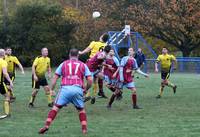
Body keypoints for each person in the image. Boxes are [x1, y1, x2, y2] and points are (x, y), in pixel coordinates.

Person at [39, 48, 92, 134]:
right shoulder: (83, 65)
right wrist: (86, 89)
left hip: (65, 89)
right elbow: (90, 80)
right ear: (78, 55)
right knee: (81, 110)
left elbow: (55, 78)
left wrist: (51, 89)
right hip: (78, 89)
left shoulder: (63, 64)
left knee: (55, 108)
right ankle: (84, 129)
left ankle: (47, 125)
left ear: (69, 55)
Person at [79, 33, 109, 98]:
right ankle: (94, 94)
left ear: (102, 37)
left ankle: (87, 93)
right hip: (99, 64)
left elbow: (87, 50)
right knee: (96, 79)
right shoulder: (106, 45)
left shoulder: (94, 43)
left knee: (89, 79)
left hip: (91, 62)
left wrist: (81, 52)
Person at [0, 49, 13, 119]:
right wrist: (10, 81)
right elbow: (5, 73)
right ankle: (7, 114)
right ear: (3, 54)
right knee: (8, 97)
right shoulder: (3, 62)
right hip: (0, 83)